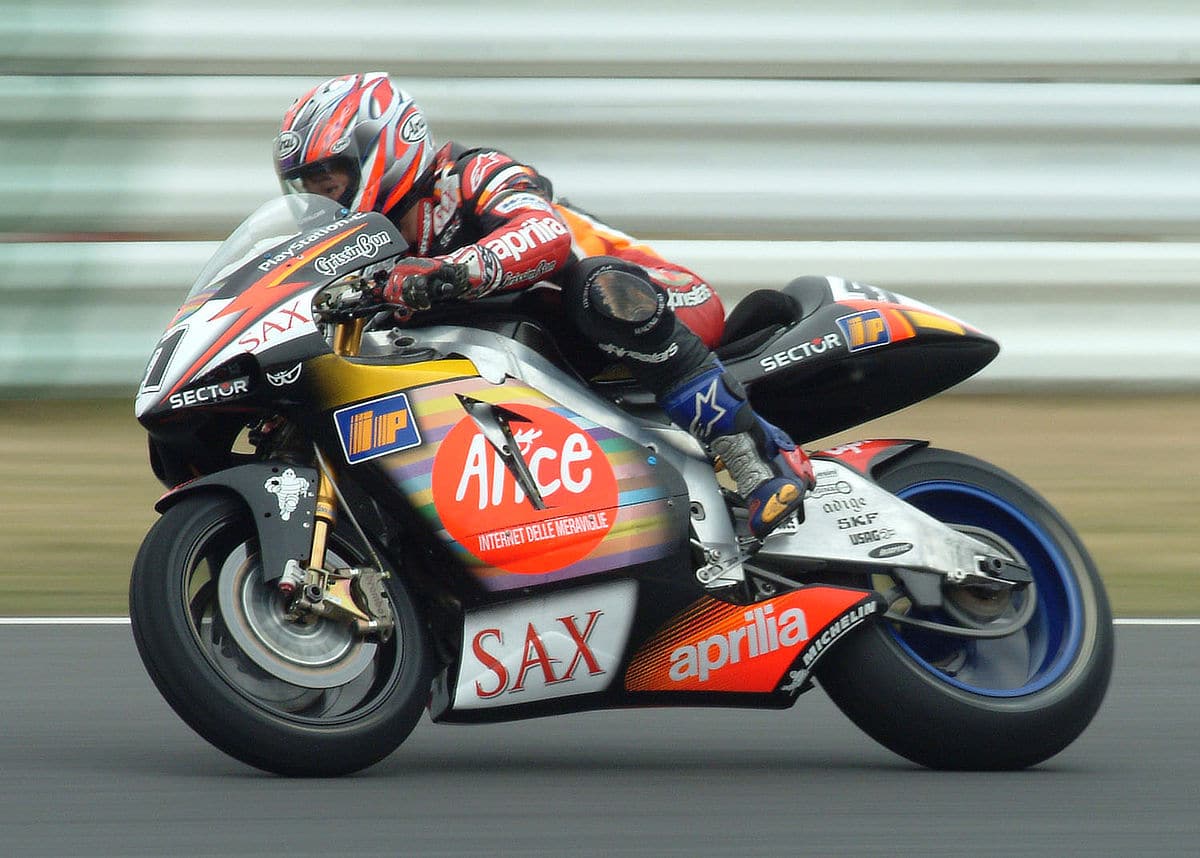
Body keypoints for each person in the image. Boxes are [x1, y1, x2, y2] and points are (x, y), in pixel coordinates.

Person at [274, 72, 813, 543]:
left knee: (599, 288)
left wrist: (448, 272)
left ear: (386, 147)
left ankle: (760, 461)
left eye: (331, 173)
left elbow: (546, 236)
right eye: (308, 184)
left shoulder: (470, 173)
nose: (322, 193)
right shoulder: (368, 253)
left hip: (656, 297)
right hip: (556, 352)